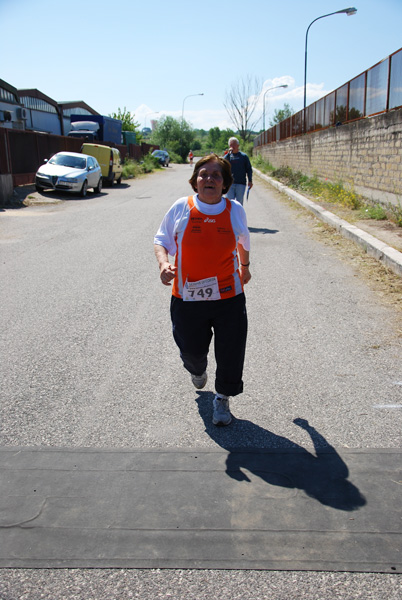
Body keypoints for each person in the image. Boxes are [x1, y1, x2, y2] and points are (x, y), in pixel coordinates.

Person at [154, 154, 251, 426]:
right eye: (203, 174)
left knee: (231, 350)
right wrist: (164, 263)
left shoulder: (234, 210)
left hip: (229, 295)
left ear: (225, 183)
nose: (209, 179)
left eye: (216, 175)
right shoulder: (181, 207)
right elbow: (161, 239)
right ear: (195, 181)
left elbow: (243, 240)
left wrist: (245, 266)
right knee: (192, 352)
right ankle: (197, 369)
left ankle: (222, 398)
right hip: (187, 296)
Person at [224, 137, 253, 205]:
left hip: (240, 183)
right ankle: (230, 216)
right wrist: (228, 154)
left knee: (239, 203)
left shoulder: (243, 156)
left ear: (238, 146)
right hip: (229, 184)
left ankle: (238, 215)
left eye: (234, 145)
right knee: (229, 203)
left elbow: (249, 169)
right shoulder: (227, 157)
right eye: (231, 145)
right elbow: (223, 164)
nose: (232, 147)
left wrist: (250, 180)